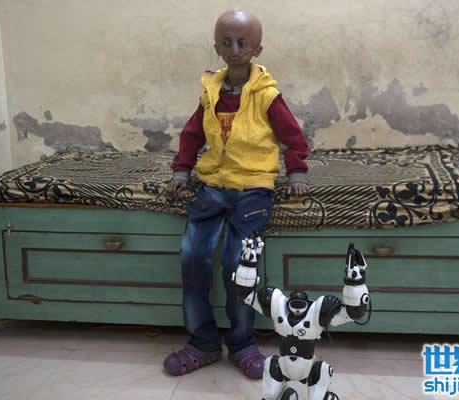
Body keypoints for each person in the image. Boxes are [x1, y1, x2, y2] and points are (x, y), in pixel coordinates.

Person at [163, 9, 310, 379]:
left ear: (257, 48)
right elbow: (192, 135)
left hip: (253, 190)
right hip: (213, 186)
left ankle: (243, 343)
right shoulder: (211, 93)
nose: (234, 49)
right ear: (216, 47)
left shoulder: (267, 95)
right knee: (191, 255)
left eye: (242, 42)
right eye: (226, 42)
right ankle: (202, 343)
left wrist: (296, 173)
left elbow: (293, 137)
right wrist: (181, 170)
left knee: (238, 265)